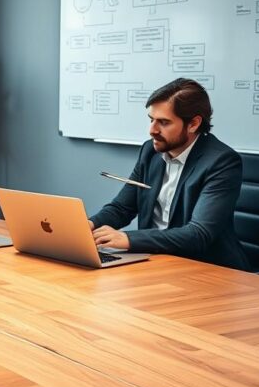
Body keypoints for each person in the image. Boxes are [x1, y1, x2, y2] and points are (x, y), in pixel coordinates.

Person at [88, 78, 249, 270]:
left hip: (204, 267)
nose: (152, 130)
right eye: (151, 120)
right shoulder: (150, 152)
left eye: (163, 122)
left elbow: (199, 233)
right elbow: (121, 208)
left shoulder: (221, 162)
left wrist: (128, 239)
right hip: (155, 261)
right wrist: (88, 225)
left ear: (193, 124)